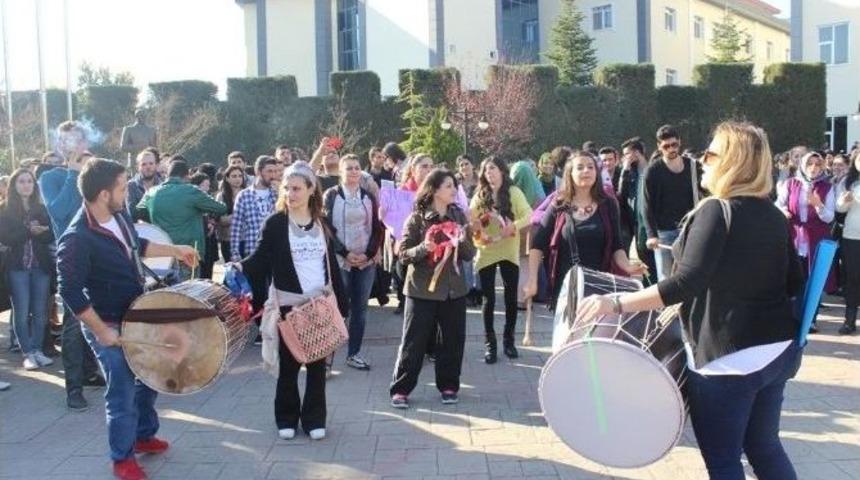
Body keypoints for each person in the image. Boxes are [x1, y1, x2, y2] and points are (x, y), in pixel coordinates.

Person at [577, 121, 804, 480]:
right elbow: (795, 281)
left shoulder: (716, 211)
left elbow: (684, 283)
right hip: (775, 352)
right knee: (765, 447)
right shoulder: (774, 215)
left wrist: (616, 304)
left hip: (727, 359)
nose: (702, 159)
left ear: (732, 161)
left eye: (711, 153)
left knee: (724, 461)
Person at [57, 158, 198, 480]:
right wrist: (101, 331)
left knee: (152, 374)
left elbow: (137, 245)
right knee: (121, 388)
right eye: (122, 187)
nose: (127, 192)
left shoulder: (118, 216)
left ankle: (143, 435)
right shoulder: (77, 237)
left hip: (134, 313)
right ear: (104, 194)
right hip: (105, 321)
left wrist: (175, 250)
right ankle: (121, 458)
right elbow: (70, 291)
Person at [237, 161, 347, 441]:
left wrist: (341, 303)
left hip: (319, 304)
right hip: (288, 304)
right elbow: (260, 259)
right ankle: (285, 417)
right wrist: (239, 268)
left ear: (311, 190)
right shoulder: (275, 223)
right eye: (286, 188)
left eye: (297, 188)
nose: (290, 193)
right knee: (288, 365)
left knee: (317, 366)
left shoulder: (322, 223)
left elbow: (331, 266)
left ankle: (314, 419)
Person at [389, 168, 475, 408]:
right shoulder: (416, 218)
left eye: (454, 186)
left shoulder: (459, 216)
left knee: (452, 340)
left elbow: (469, 254)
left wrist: (462, 241)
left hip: (454, 290)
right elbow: (403, 254)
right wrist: (424, 248)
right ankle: (401, 389)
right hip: (421, 290)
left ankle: (449, 386)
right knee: (414, 341)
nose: (454, 190)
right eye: (448, 186)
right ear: (435, 189)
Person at [523, 152, 647, 304]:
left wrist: (628, 266)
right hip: (565, 288)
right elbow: (538, 245)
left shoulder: (608, 204)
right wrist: (532, 280)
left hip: (599, 289)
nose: (586, 171)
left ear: (597, 173)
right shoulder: (559, 204)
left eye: (590, 167)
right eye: (580, 167)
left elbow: (617, 246)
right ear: (570, 173)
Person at [39, 122, 100, 411]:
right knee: (75, 324)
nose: (71, 145)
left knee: (99, 315)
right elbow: (59, 210)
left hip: (99, 254)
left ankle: (89, 372)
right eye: (64, 141)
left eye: (75, 140)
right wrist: (74, 175)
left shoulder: (96, 173)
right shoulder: (50, 177)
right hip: (71, 257)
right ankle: (73, 388)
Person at [322, 154, 383, 370]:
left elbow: (377, 227)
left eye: (357, 168)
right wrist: (345, 253)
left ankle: (354, 353)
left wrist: (368, 253)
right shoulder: (331, 195)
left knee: (360, 309)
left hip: (365, 260)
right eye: (349, 168)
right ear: (340, 171)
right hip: (341, 260)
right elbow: (326, 228)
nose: (354, 172)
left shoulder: (368, 196)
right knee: (337, 307)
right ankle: (328, 358)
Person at [469, 156, 532, 364]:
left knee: (510, 296)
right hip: (487, 250)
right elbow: (472, 223)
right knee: (489, 299)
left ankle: (509, 341)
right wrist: (480, 237)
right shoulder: (480, 195)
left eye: (493, 169)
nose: (490, 173)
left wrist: (513, 226)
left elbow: (528, 215)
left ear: (503, 171)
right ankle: (490, 345)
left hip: (508, 249)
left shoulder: (513, 192)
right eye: (486, 170)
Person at [0, 168, 55, 370]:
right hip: (17, 267)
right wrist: (28, 230)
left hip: (40, 266)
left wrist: (41, 232)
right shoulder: (4, 210)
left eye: (29, 181)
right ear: (14, 185)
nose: (26, 185)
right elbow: (5, 238)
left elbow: (50, 236)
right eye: (21, 181)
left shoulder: (42, 208)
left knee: (41, 312)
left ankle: (38, 350)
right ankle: (27, 352)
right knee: (21, 312)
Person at [136, 159, 227, 281]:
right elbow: (221, 208)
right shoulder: (192, 191)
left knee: (165, 294)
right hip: (188, 253)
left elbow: (136, 213)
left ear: (167, 175)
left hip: (162, 254)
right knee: (187, 294)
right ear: (187, 175)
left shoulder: (151, 192)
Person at [775, 151, 836, 332]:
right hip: (794, 236)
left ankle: (811, 319)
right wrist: (783, 211)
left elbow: (829, 217)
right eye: (810, 164)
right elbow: (778, 204)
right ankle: (793, 316)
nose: (814, 168)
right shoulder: (790, 183)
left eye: (818, 165)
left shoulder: (827, 187)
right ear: (803, 165)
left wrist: (818, 204)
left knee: (813, 279)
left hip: (816, 237)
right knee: (794, 277)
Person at [643, 124, 703, 281]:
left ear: (680, 142)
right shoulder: (653, 171)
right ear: (659, 146)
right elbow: (647, 205)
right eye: (666, 146)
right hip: (664, 232)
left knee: (693, 275)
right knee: (667, 278)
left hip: (690, 229)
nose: (671, 149)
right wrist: (651, 235)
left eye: (674, 144)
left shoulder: (693, 166)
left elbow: (706, 193)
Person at [835, 150, 860, 334]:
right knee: (852, 278)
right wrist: (844, 201)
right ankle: (849, 320)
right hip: (852, 237)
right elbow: (839, 207)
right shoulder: (848, 181)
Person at [215, 165, 247, 264]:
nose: (238, 179)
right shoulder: (222, 196)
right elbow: (220, 219)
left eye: (240, 176)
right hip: (228, 240)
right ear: (227, 178)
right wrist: (237, 216)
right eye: (234, 176)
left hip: (247, 238)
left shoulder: (248, 193)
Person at [126, 149, 163, 219]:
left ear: (156, 165)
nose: (148, 167)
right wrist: (147, 197)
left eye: (151, 163)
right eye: (144, 164)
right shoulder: (131, 186)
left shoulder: (163, 185)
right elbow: (133, 214)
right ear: (138, 167)